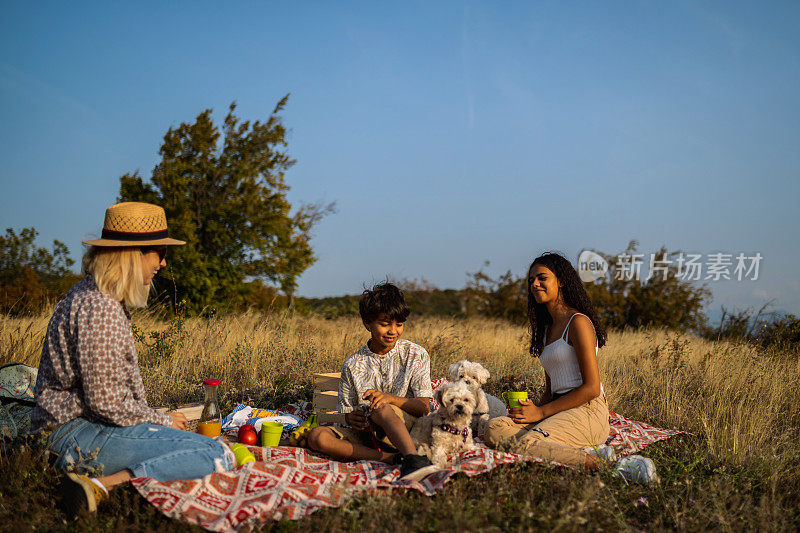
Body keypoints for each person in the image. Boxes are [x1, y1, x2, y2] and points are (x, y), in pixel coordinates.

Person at [30, 202, 234, 516]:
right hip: (74, 437)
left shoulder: (91, 296)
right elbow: (106, 404)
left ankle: (100, 484)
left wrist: (154, 418)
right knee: (215, 453)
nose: (163, 264)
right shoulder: (101, 310)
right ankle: (105, 486)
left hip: (76, 429)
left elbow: (106, 400)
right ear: (135, 253)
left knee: (197, 443)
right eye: (161, 253)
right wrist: (162, 420)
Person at [484, 252, 612, 469]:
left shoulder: (578, 322)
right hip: (557, 408)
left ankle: (602, 463)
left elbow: (591, 388)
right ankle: (571, 450)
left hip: (588, 410)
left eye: (542, 278)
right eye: (531, 280)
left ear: (560, 281)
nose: (535, 284)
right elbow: (551, 390)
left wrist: (541, 413)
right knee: (493, 428)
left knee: (528, 442)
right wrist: (532, 410)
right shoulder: (546, 330)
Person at [306, 282, 439, 481]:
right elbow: (347, 412)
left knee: (381, 408)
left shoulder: (415, 354)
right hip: (370, 436)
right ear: (367, 323)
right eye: (385, 324)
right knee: (317, 436)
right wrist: (352, 418)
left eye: (399, 324)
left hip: (408, 431)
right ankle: (393, 459)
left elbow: (423, 408)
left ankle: (413, 459)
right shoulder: (352, 364)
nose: (393, 330)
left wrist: (389, 399)